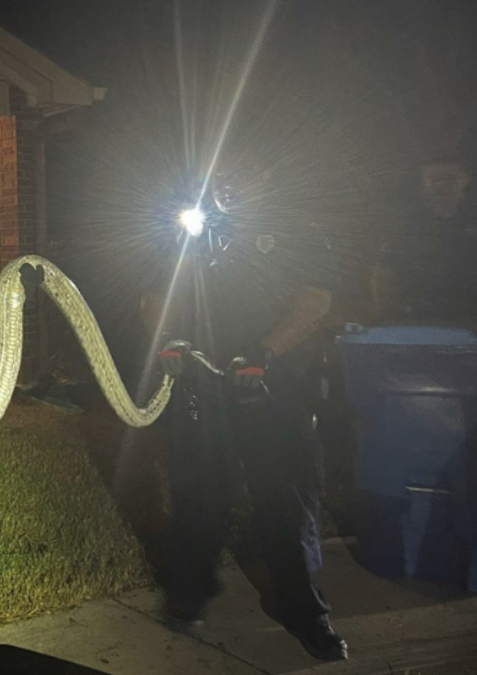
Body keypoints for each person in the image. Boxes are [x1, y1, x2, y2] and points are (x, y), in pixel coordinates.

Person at [141, 159, 349, 662]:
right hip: (205, 391)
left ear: (266, 175)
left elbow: (316, 301)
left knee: (285, 504)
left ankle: (304, 610)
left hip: (275, 391)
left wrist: (264, 353)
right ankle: (190, 594)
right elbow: (157, 296)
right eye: (223, 174)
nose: (230, 183)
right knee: (198, 496)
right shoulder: (194, 230)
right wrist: (168, 338)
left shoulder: (298, 229)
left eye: (244, 172)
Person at [370, 156, 477, 328]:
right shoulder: (408, 226)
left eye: (450, 177)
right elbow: (383, 272)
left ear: (464, 180)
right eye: (435, 179)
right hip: (419, 323)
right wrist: (389, 316)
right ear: (424, 182)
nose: (442, 184)